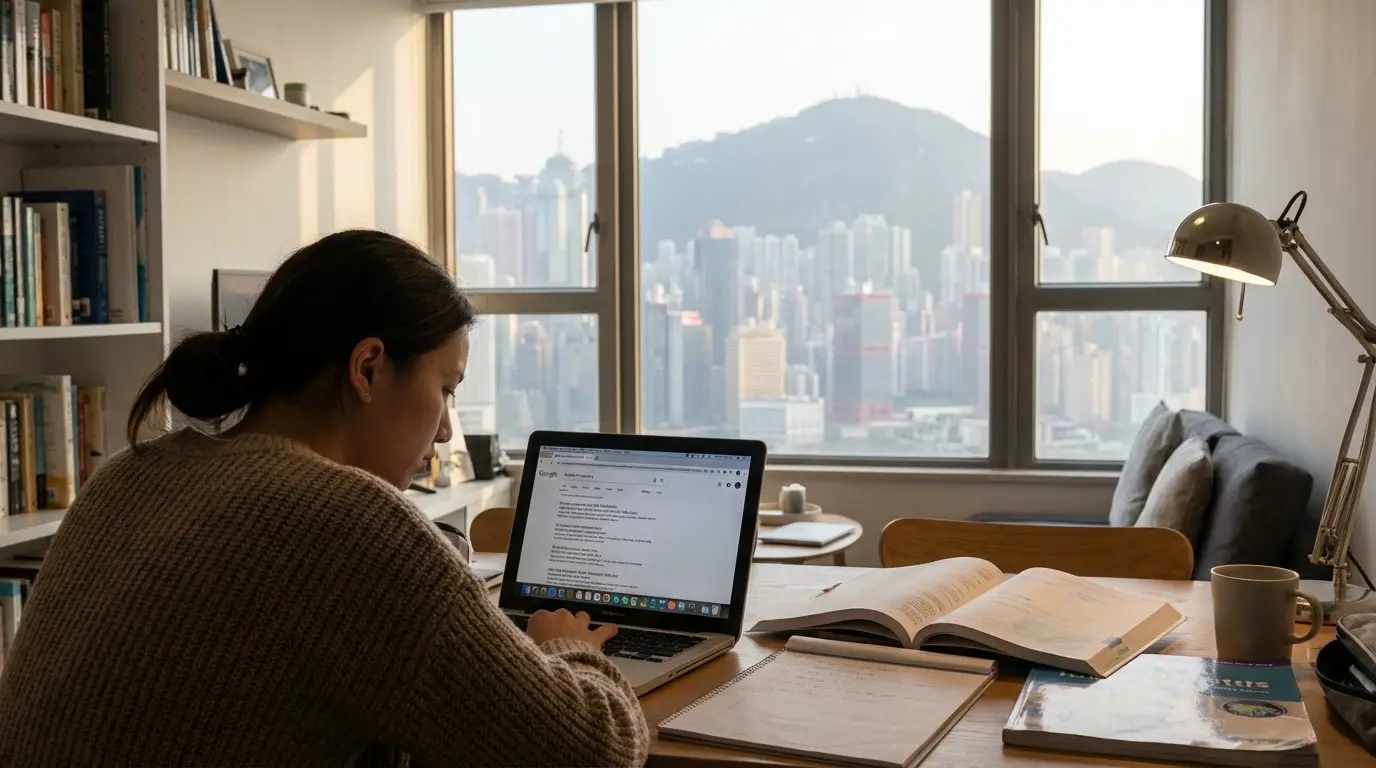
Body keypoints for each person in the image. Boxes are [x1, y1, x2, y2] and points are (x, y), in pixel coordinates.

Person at [0, 230, 650, 766]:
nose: (447, 426)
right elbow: (595, 752)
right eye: (447, 388)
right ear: (368, 369)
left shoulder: (128, 474)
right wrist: (570, 648)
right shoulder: (354, 525)